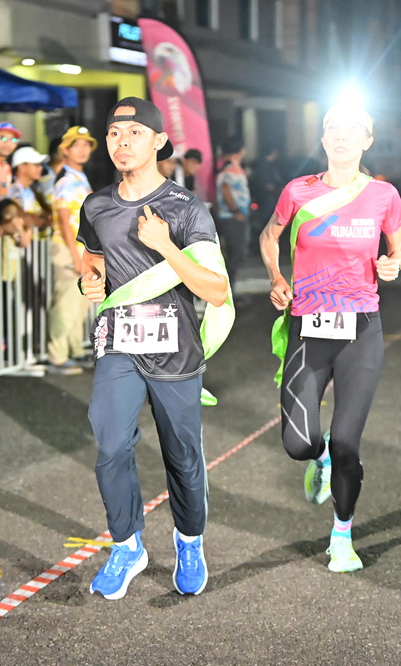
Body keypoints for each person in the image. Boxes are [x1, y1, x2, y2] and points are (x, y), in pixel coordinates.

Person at [78, 97, 232, 600]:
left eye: (135, 133)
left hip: (176, 349)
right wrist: (89, 282)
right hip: (118, 343)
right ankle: (127, 546)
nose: (122, 142)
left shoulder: (186, 208)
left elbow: (216, 290)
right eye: (114, 133)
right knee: (110, 445)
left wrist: (166, 245)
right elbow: (91, 260)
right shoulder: (96, 205)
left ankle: (189, 541)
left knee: (183, 457)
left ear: (160, 140)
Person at [259, 101, 401, 573]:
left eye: (352, 129)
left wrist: (393, 264)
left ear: (367, 140)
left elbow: (399, 250)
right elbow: (269, 236)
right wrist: (276, 277)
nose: (341, 136)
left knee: (347, 442)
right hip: (308, 326)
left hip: (360, 329)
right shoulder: (297, 191)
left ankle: (341, 535)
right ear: (323, 139)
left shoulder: (383, 194)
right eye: (332, 129)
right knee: (298, 444)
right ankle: (317, 458)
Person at [48, 126, 97, 375]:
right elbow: (64, 220)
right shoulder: (66, 180)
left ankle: (74, 350)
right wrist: (76, 256)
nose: (82, 150)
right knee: (66, 304)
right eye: (76, 145)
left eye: (86, 145)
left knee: (79, 303)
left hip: (80, 248)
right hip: (68, 248)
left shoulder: (79, 177)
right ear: (65, 150)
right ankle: (57, 357)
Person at [215, 137, 252, 303]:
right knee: (237, 255)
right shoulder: (231, 168)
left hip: (230, 217)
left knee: (235, 255)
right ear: (240, 150)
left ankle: (228, 292)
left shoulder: (229, 166)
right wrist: (236, 210)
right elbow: (226, 188)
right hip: (232, 217)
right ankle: (226, 293)